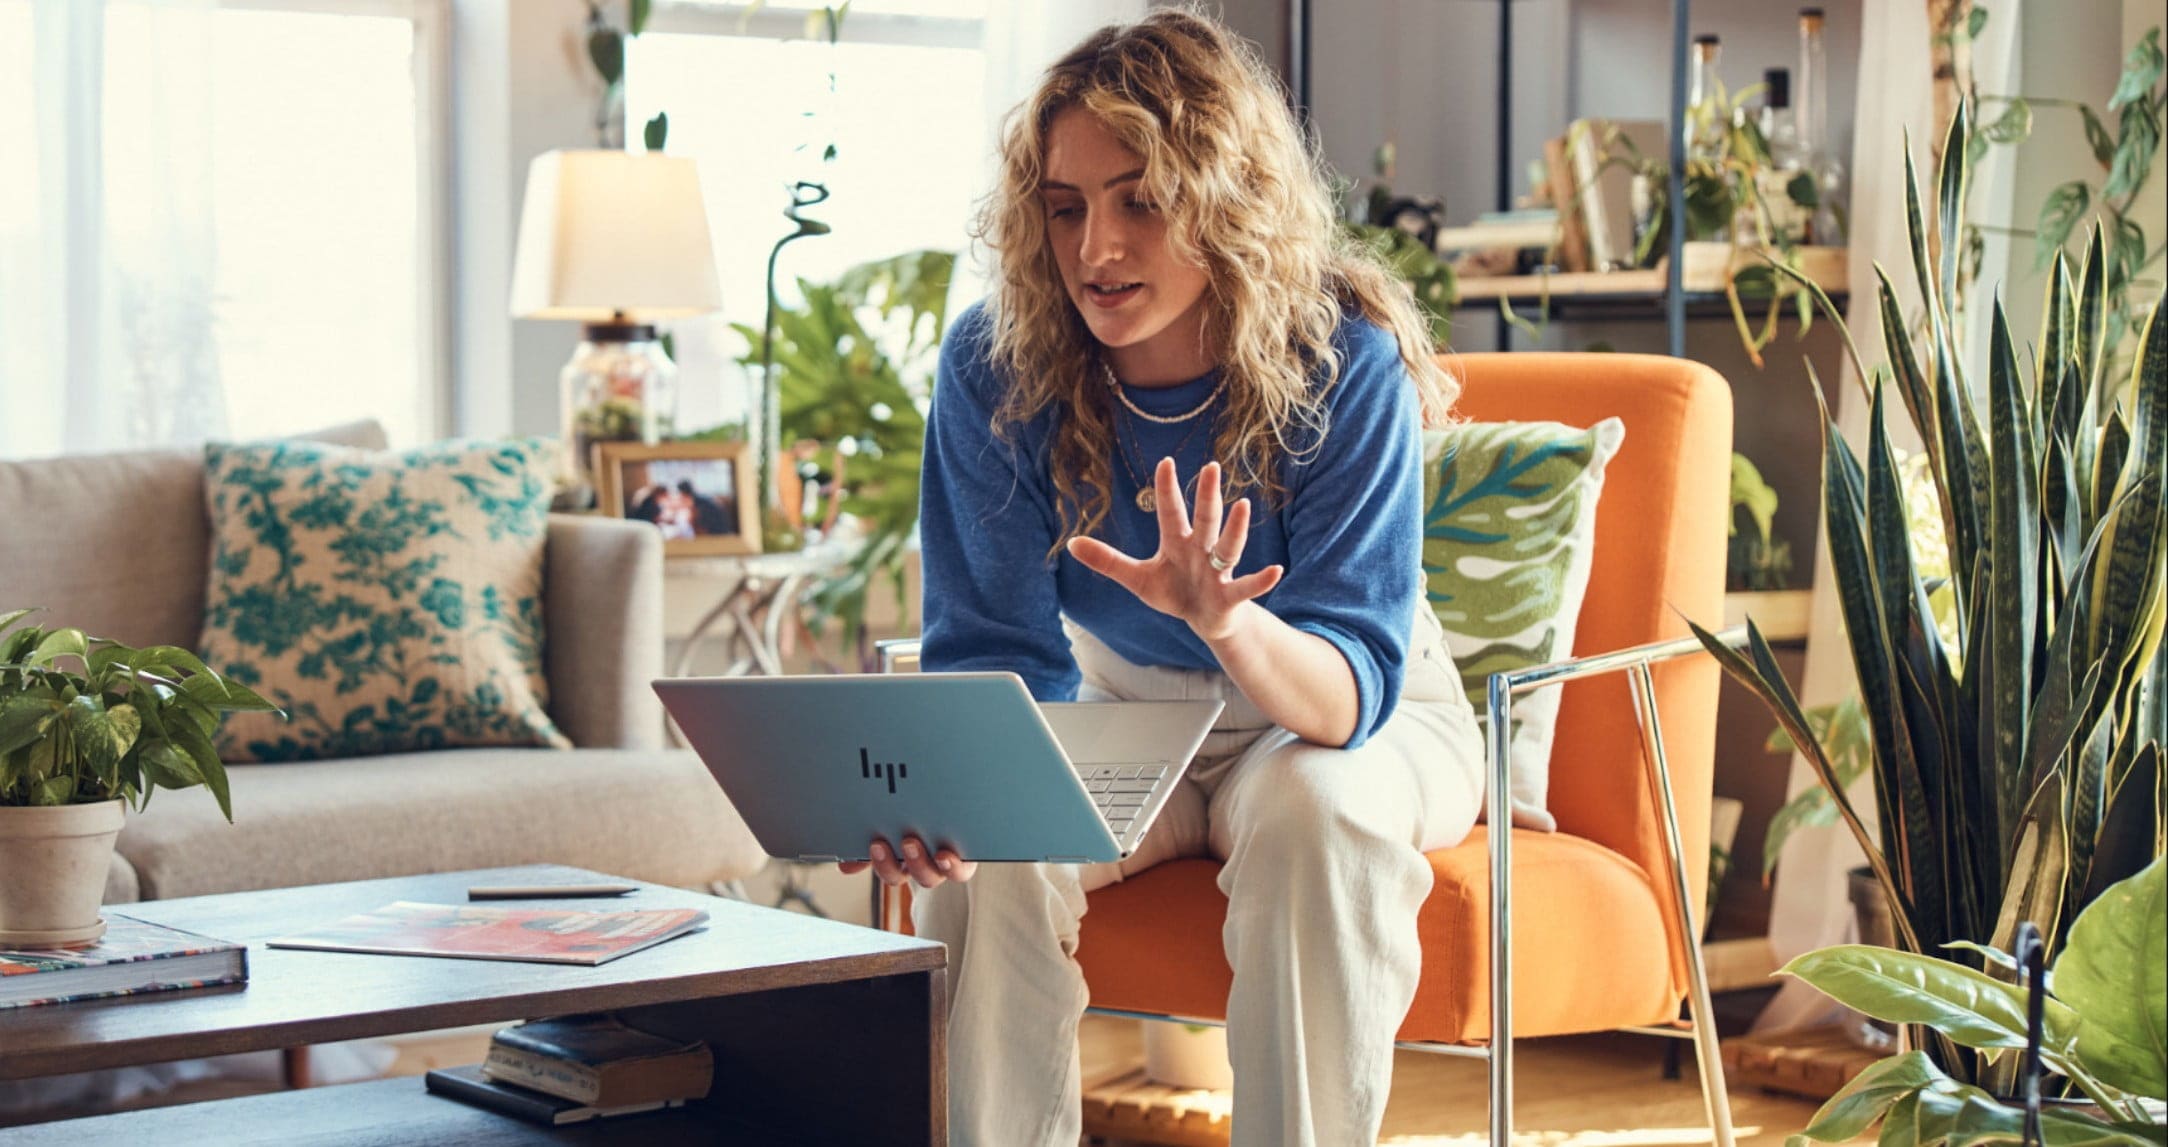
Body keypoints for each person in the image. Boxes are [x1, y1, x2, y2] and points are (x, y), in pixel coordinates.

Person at [840, 11, 1484, 1146]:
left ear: (1226, 198)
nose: (1095, 247)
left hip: (1349, 717)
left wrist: (1226, 623)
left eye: (1141, 199)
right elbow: (995, 657)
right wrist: (948, 798)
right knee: (990, 857)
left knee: (1311, 813)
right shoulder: (996, 368)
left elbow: (1347, 692)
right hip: (1122, 712)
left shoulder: (1342, 361)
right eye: (1065, 205)